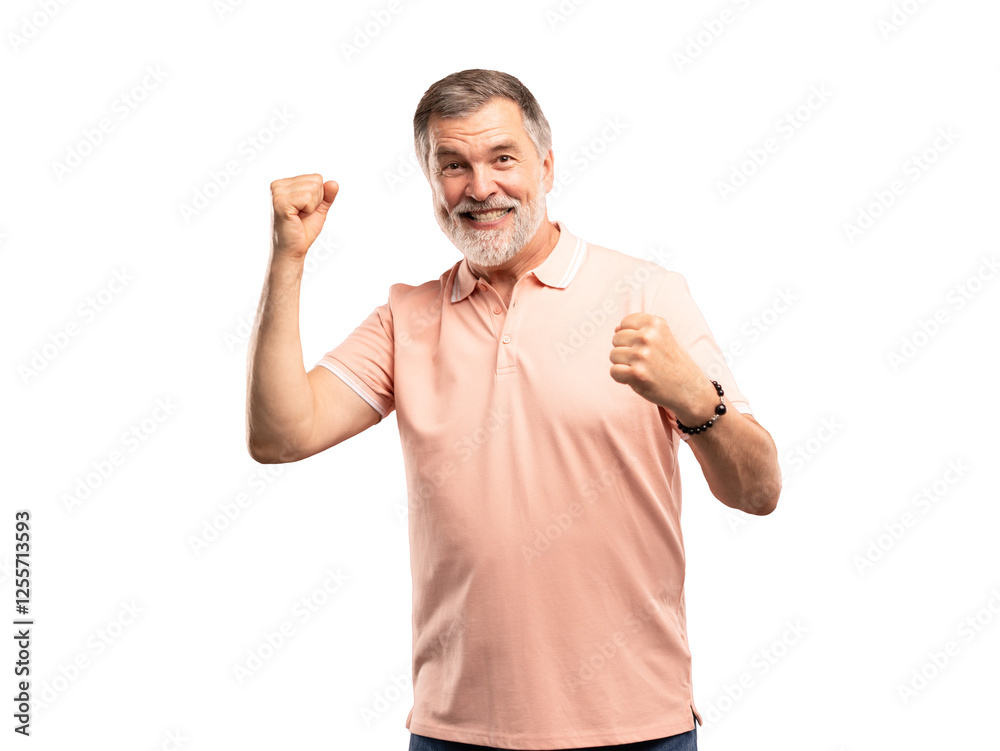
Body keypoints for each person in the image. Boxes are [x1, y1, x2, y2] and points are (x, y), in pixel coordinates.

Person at [246, 69, 781, 751]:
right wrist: (287, 259)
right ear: (430, 181)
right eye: (453, 165)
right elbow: (279, 435)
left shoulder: (646, 293)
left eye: (503, 158)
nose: (479, 187)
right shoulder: (406, 316)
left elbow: (758, 490)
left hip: (637, 729)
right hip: (454, 733)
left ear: (547, 165)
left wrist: (697, 400)